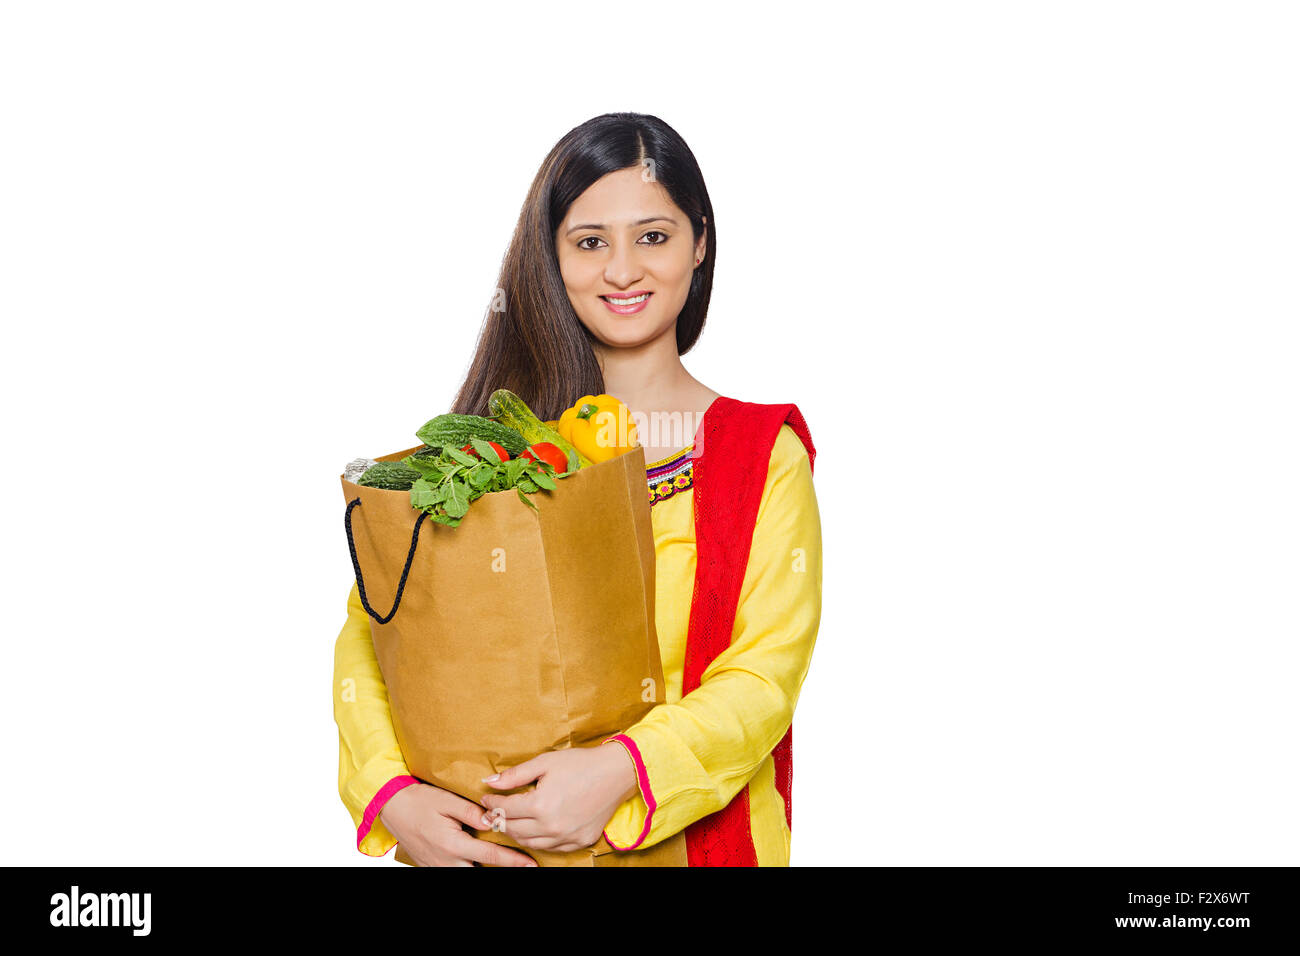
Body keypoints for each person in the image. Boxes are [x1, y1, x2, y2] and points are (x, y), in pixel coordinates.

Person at [333, 112, 822, 866]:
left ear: (700, 243)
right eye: (590, 242)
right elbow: (377, 626)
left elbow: (763, 678)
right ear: (551, 259)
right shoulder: (496, 451)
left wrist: (621, 770)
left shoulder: (761, 456)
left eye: (652, 236)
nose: (622, 270)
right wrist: (393, 796)